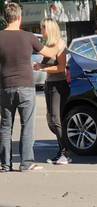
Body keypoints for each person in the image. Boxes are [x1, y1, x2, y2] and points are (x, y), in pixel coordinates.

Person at [0, 3, 58, 172]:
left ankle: (5, 164)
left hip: (4, 87)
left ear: (5, 18)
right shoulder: (29, 37)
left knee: (5, 126)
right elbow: (49, 53)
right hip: (25, 86)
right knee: (27, 125)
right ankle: (26, 163)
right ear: (19, 18)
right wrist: (59, 44)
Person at [33, 18, 71, 165]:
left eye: (42, 28)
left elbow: (61, 68)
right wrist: (39, 65)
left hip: (59, 85)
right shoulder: (49, 46)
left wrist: (42, 68)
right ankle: (62, 150)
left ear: (49, 29)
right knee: (51, 120)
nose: (41, 31)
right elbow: (47, 63)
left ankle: (65, 153)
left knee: (56, 120)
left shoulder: (60, 44)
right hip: (49, 84)